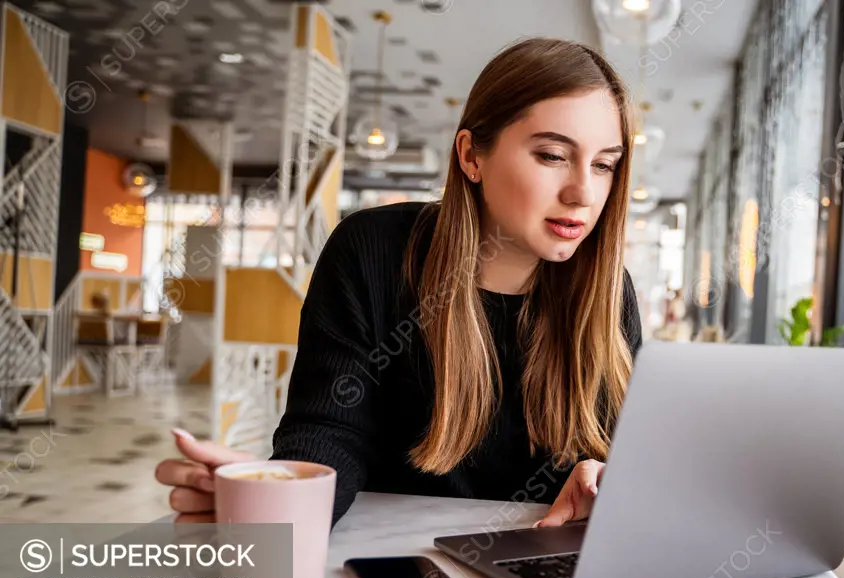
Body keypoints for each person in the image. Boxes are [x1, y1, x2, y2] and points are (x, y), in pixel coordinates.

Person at [155, 37, 643, 530]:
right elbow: (329, 430)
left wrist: (611, 481)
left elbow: (627, 460)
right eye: (553, 155)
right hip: (398, 568)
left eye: (604, 164)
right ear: (472, 156)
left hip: (546, 574)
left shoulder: (608, 293)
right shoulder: (373, 252)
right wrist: (282, 498)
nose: (583, 192)